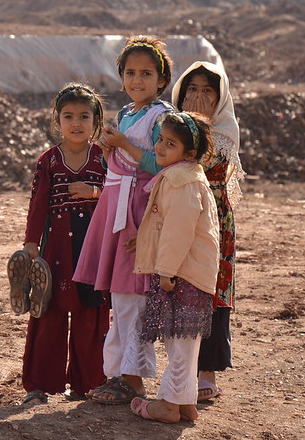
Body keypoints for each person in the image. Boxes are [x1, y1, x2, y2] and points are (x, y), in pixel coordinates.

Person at [73, 36, 175, 404]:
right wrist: (108, 150)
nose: (137, 80)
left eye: (146, 73)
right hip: (116, 206)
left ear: (161, 80)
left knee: (133, 296)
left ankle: (132, 378)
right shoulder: (127, 114)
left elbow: (160, 164)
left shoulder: (162, 116)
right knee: (120, 296)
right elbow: (118, 166)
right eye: (130, 72)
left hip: (137, 211)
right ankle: (119, 374)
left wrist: (124, 146)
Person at [8, 83, 110, 405]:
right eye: (68, 116)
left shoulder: (106, 158)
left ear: (96, 120)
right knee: (48, 313)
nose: (76, 123)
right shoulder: (49, 161)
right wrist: (30, 243)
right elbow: (38, 204)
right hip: (55, 252)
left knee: (91, 316)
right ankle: (39, 386)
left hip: (94, 250)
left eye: (84, 116)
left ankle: (88, 385)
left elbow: (121, 197)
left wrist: (94, 192)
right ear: (57, 120)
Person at [129, 111, 220, 423]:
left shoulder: (181, 182)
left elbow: (178, 230)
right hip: (189, 270)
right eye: (159, 140)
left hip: (182, 272)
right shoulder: (186, 176)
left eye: (170, 143)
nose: (160, 147)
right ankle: (184, 401)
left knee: (180, 339)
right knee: (183, 336)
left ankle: (169, 404)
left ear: (189, 153)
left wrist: (166, 269)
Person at [171, 61, 245, 402]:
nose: (198, 96)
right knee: (177, 286)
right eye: (191, 90)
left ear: (220, 98)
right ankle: (180, 371)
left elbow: (201, 165)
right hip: (175, 215)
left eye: (207, 91)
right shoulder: (170, 128)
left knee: (212, 290)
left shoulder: (223, 132)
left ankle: (208, 370)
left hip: (213, 221)